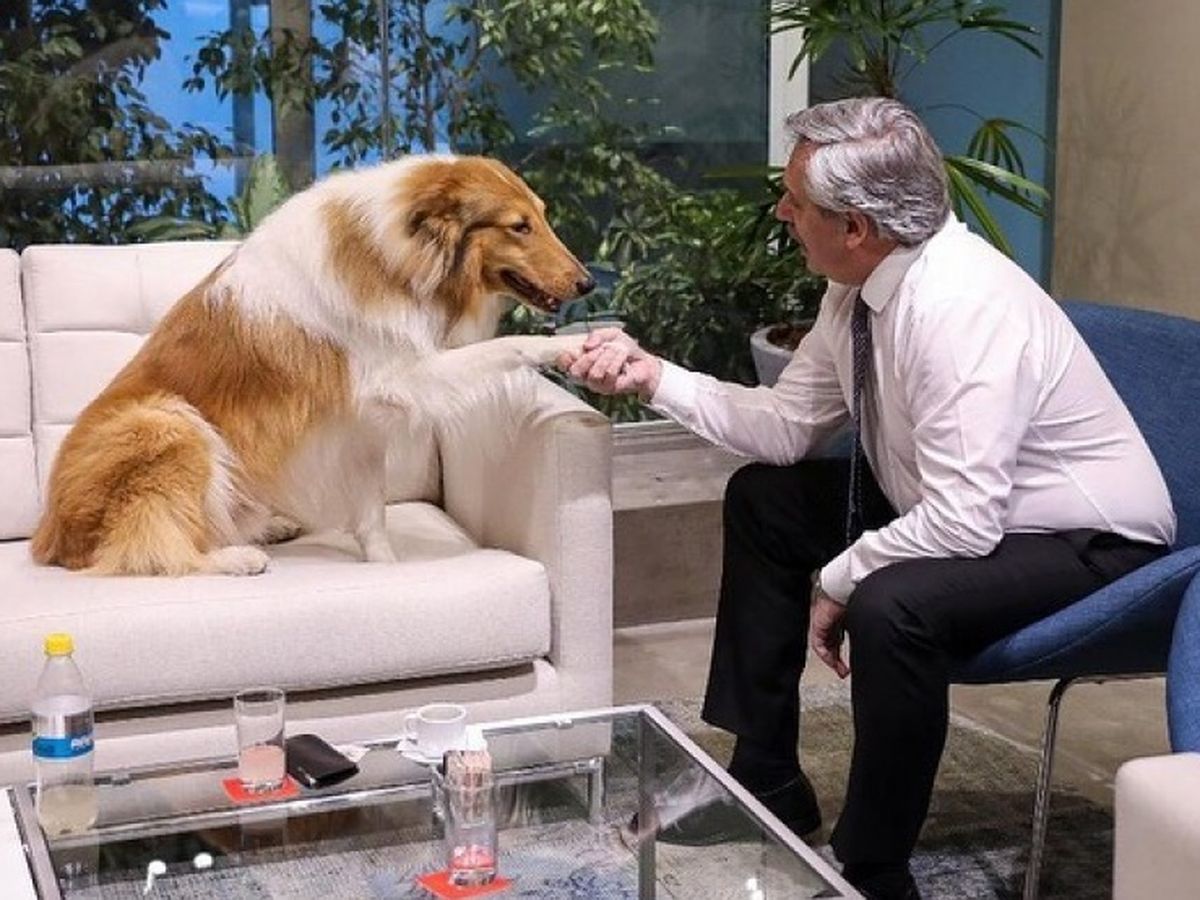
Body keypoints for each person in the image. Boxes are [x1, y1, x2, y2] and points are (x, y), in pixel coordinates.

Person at [559, 97, 1174, 900]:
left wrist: (839, 577)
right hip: (974, 510)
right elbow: (786, 428)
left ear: (856, 226)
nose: (782, 211)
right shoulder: (860, 285)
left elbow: (964, 518)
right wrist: (654, 377)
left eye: (797, 202)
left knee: (892, 605)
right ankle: (764, 778)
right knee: (767, 500)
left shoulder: (959, 308)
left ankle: (876, 870)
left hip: (1088, 543)